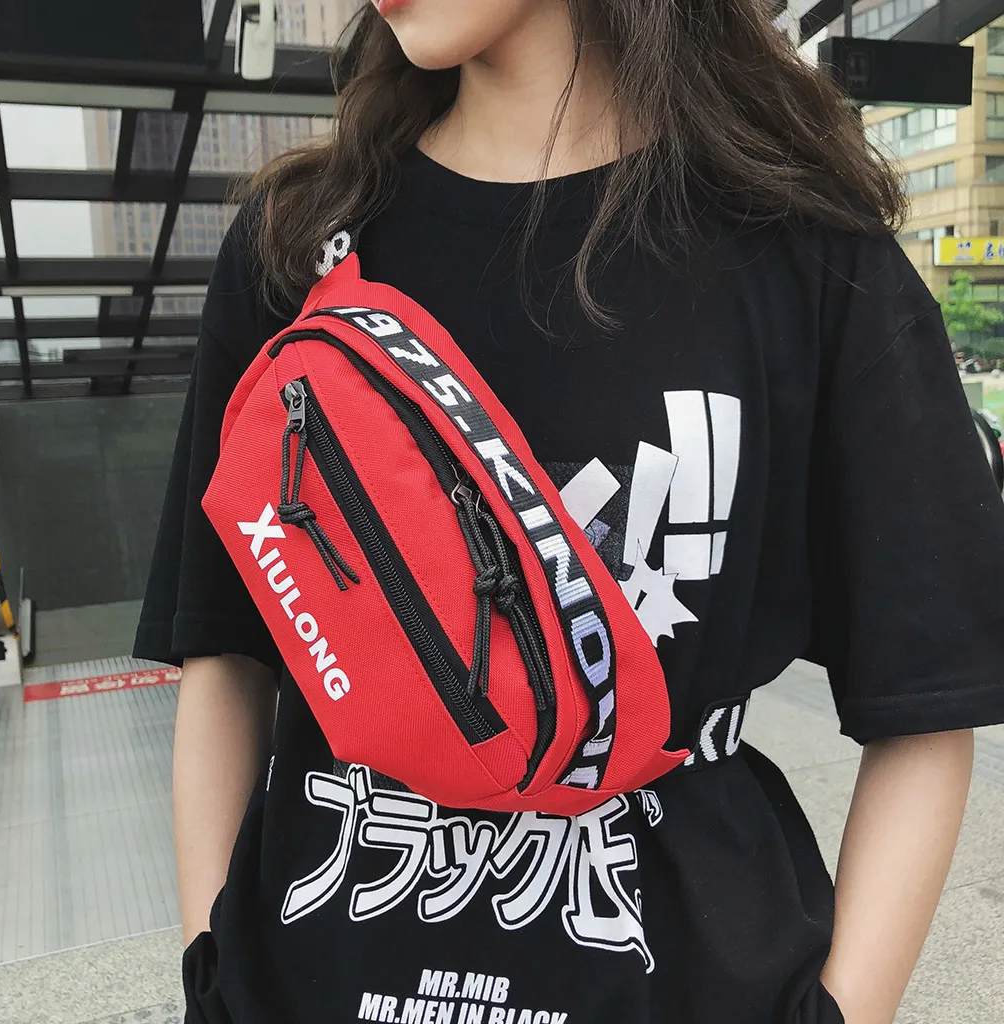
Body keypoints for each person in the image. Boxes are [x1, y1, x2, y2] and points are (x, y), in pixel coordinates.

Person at [135, 2, 1004, 1022]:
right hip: (312, 979)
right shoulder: (297, 247)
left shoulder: (802, 252)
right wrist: (212, 979)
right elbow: (225, 651)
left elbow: (926, 697)